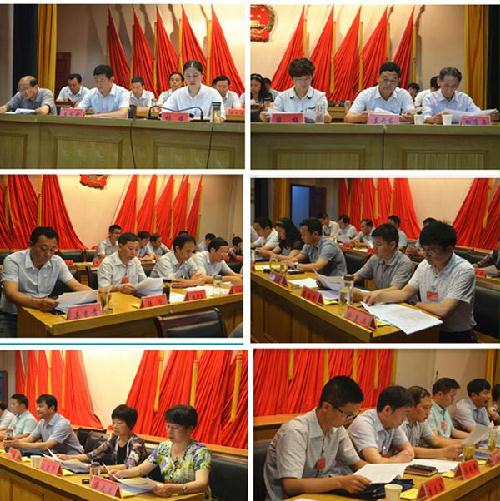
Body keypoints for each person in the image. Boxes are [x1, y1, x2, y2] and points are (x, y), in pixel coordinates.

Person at [364, 221, 476, 343]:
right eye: (424, 249)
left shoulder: (464, 270)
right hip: (426, 326)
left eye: (431, 250)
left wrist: (418, 304)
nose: (425, 255)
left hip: (454, 335)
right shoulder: (424, 266)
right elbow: (405, 293)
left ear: (449, 249)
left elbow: (444, 310)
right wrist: (379, 296)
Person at [263, 376, 371, 500]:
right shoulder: (295, 432)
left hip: (319, 496)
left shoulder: (337, 429)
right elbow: (291, 485)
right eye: (348, 414)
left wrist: (379, 473)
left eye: (354, 414)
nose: (351, 420)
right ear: (326, 407)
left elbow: (356, 463)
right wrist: (340, 482)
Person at [0, 227, 90, 337]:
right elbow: (11, 293)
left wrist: (94, 295)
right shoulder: (13, 260)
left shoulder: (57, 262)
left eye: (52, 250)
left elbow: (76, 285)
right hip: (13, 317)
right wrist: (38, 303)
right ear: (30, 245)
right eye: (43, 249)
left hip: (43, 315)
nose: (48, 254)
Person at [110, 405, 210, 498]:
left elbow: (202, 483)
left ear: (189, 429)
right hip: (171, 497)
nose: (169, 431)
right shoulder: (164, 447)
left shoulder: (200, 452)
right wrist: (121, 473)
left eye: (175, 427)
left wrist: (176, 488)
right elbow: (141, 469)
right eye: (168, 426)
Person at [57, 404, 148, 470]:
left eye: (119, 423)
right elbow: (93, 455)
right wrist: (67, 457)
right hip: (117, 476)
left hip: (135, 481)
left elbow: (129, 466)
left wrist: (101, 469)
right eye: (113, 422)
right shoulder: (114, 439)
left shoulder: (137, 443)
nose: (115, 426)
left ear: (130, 424)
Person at [348, 386, 414, 464]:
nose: (405, 419)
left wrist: (391, 460)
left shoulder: (392, 424)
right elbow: (375, 461)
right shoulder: (363, 423)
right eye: (404, 413)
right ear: (387, 410)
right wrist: (398, 459)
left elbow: (410, 452)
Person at [4, 394, 84, 454]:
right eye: (37, 406)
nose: (37, 409)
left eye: (41, 407)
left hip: (72, 457)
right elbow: (29, 439)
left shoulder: (62, 424)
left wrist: (20, 444)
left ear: (51, 408)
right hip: (54, 454)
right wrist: (13, 442)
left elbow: (47, 445)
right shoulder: (42, 422)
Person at [262, 58, 331, 122]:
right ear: (292, 79)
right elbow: (273, 115)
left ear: (312, 77)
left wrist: (325, 117)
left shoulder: (319, 97)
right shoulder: (282, 97)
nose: (303, 83)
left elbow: (325, 117)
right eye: (299, 79)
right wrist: (265, 117)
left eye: (307, 79)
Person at [403, 386, 463, 459]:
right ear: (410, 407)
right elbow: (408, 450)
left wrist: (465, 443)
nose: (428, 412)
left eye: (430, 408)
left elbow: (436, 441)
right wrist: (443, 452)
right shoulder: (400, 422)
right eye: (425, 408)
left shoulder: (421, 422)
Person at [423, 67, 499, 124]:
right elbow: (425, 117)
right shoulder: (430, 98)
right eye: (446, 85)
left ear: (458, 84)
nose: (450, 90)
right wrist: (433, 119)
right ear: (439, 82)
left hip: (462, 136)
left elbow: (477, 114)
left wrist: (489, 116)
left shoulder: (464, 98)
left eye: (454, 86)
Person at [345, 62, 415, 123]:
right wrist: (360, 118)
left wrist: (410, 118)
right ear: (378, 78)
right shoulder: (366, 94)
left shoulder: (403, 94)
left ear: (398, 81)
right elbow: (348, 117)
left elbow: (413, 116)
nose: (388, 84)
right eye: (385, 79)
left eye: (393, 81)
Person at [353, 223, 414, 292]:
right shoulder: (375, 259)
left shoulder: (404, 263)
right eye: (373, 244)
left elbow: (393, 290)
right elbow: (358, 275)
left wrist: (366, 295)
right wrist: (345, 282)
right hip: (379, 297)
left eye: (378, 244)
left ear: (392, 245)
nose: (374, 248)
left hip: (397, 298)